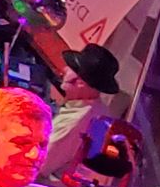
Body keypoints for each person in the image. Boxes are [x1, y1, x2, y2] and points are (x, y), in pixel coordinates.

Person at [45, 43, 121, 178]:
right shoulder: (97, 108)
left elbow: (39, 164)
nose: (64, 69)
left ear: (80, 82)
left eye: (72, 67)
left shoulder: (77, 121)